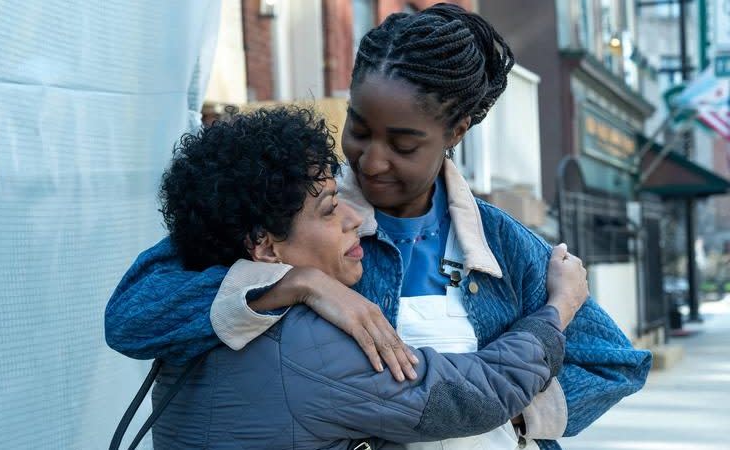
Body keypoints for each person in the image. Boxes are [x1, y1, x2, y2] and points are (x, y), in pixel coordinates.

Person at [105, 4, 651, 450]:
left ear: (455, 132)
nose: (370, 161)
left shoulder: (505, 245)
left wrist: (517, 415)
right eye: (360, 129)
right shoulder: (283, 210)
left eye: (403, 143)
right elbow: (135, 316)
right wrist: (298, 283)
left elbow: (614, 364)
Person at [123, 106, 585, 449]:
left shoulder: (201, 310)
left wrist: (302, 279)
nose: (353, 218)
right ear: (264, 245)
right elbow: (477, 393)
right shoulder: (310, 348)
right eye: (328, 208)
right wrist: (557, 308)